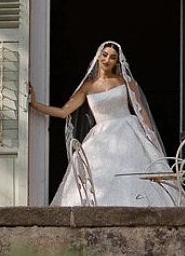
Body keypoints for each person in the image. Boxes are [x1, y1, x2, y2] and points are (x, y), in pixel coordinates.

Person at [30, 40, 174, 207]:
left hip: (129, 131)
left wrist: (150, 136)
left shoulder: (125, 82)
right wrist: (34, 104)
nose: (107, 59)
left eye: (112, 57)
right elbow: (63, 112)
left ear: (117, 62)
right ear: (98, 56)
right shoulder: (87, 87)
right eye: (104, 55)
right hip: (101, 137)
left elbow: (141, 110)